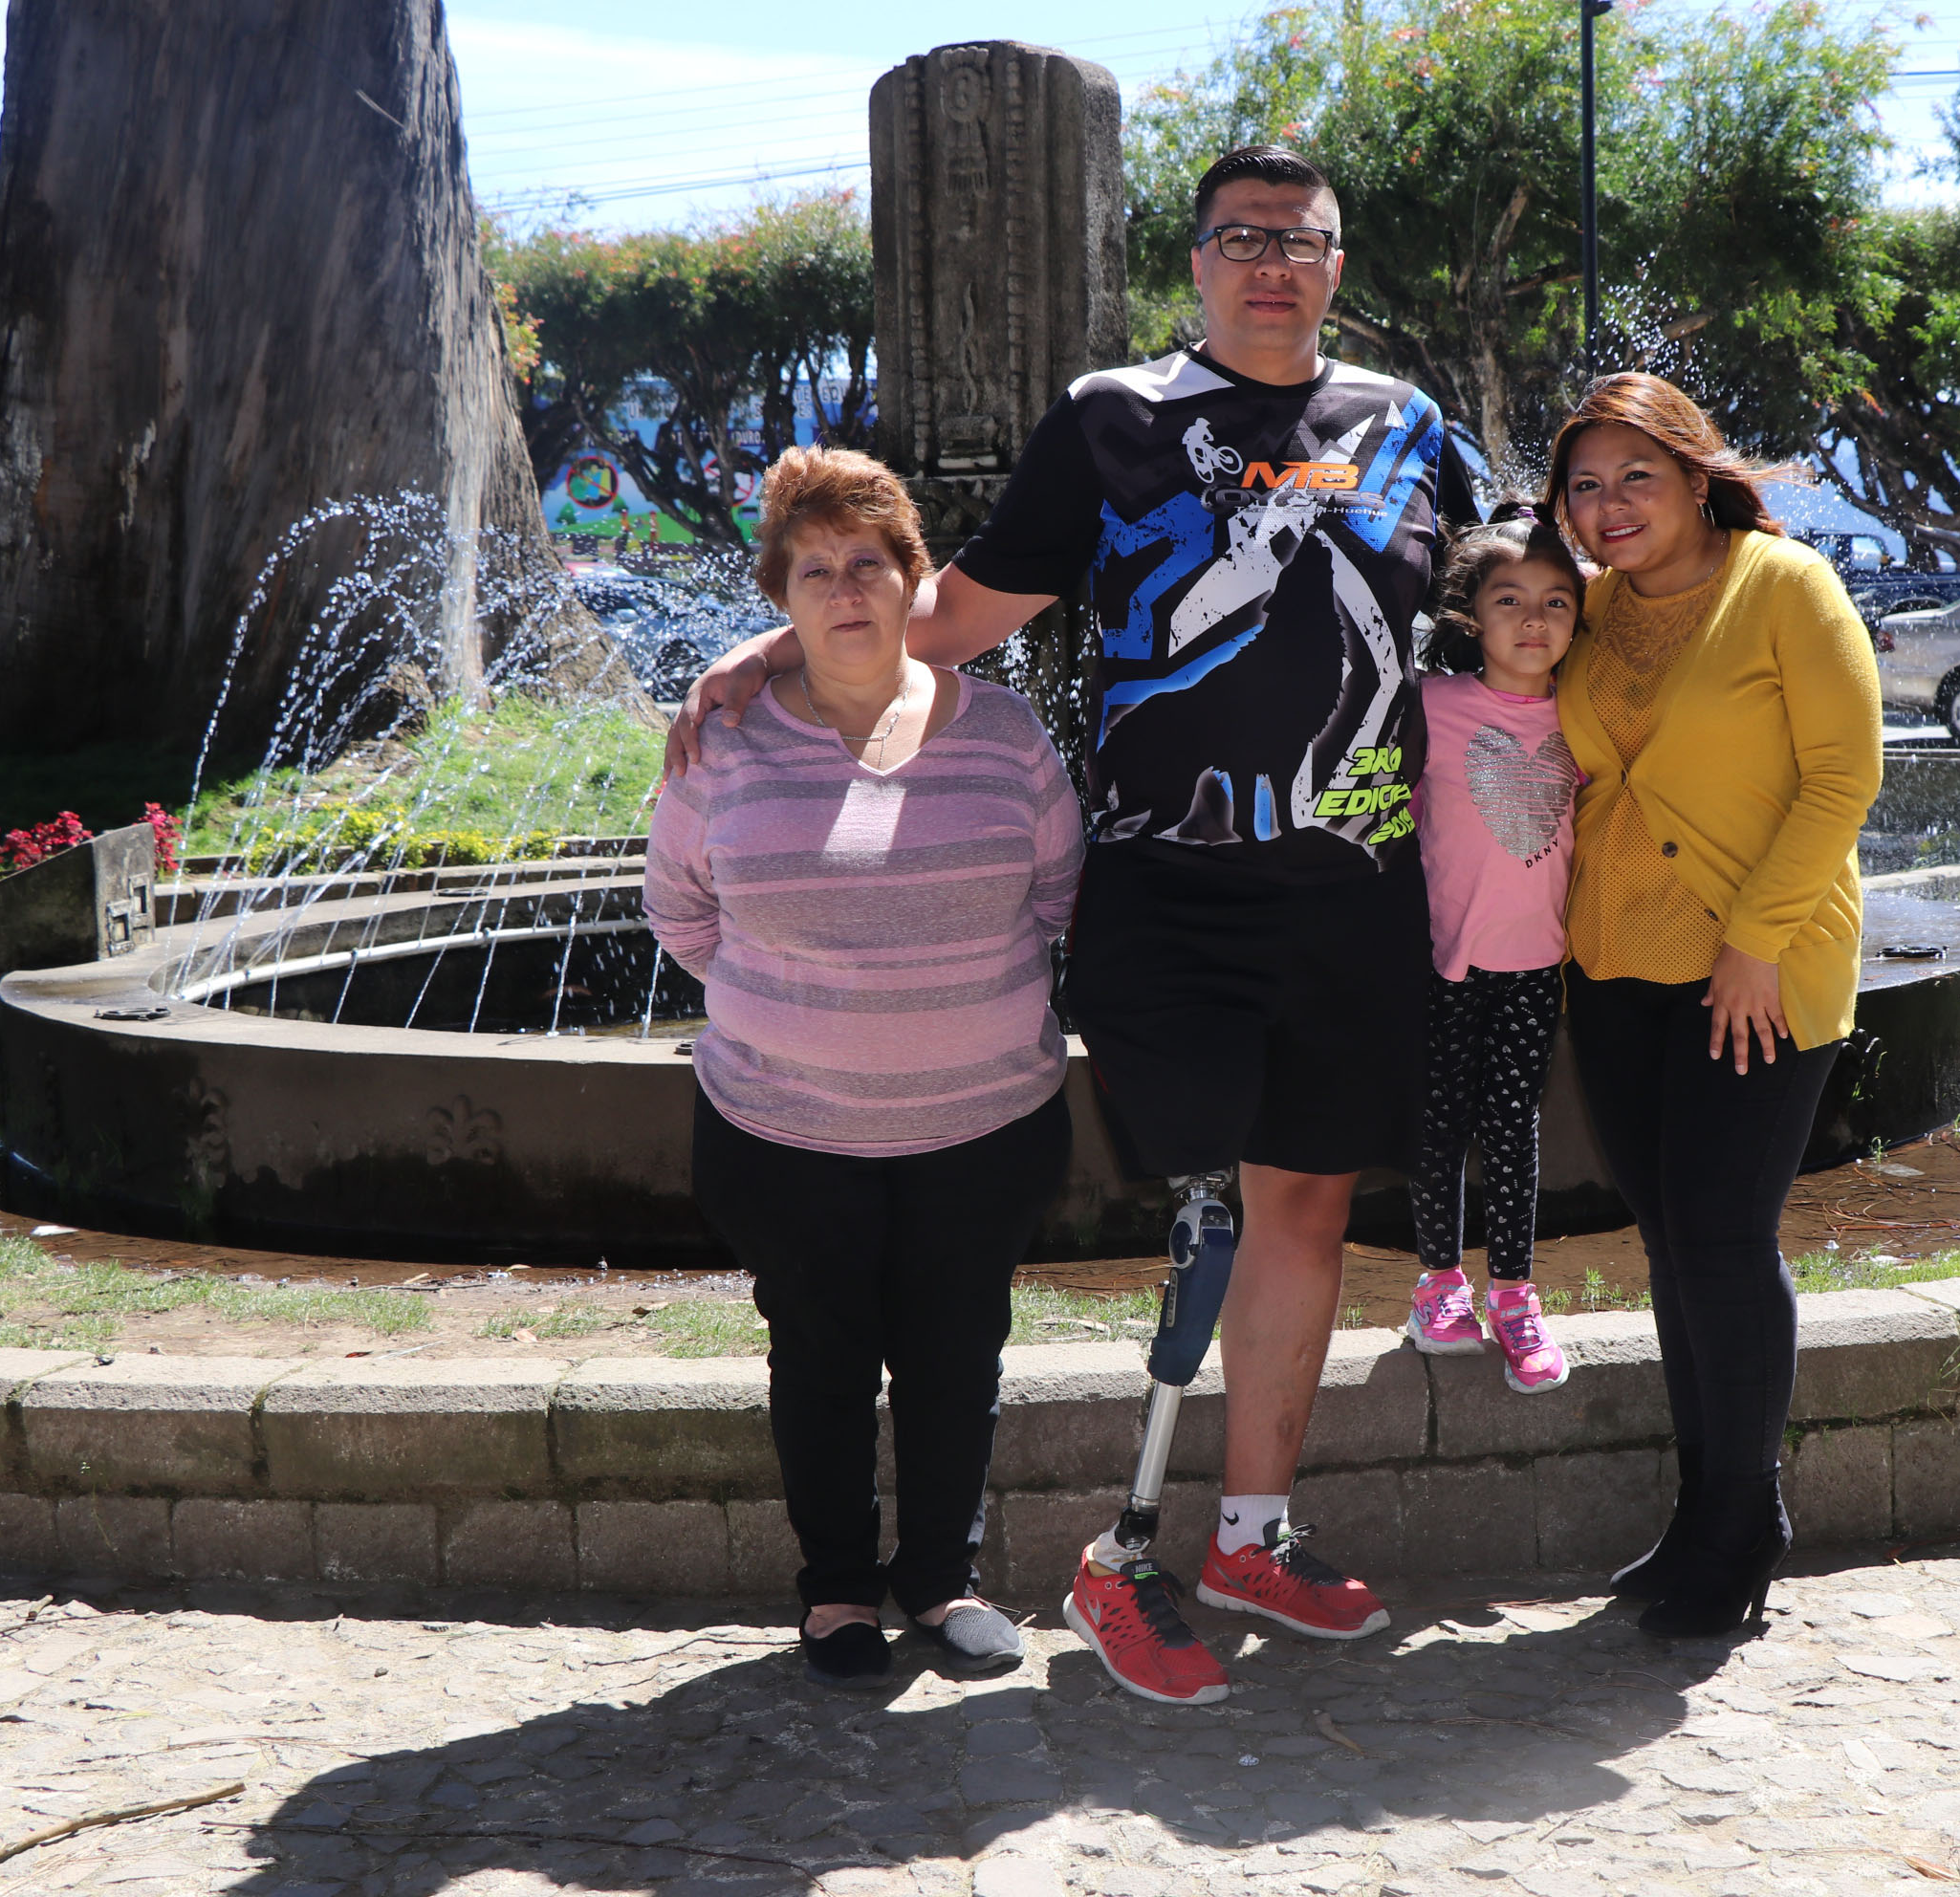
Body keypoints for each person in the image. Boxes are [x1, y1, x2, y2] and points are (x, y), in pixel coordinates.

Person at [668, 145, 1477, 1707]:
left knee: (1307, 1207)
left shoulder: (1408, 428)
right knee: (1210, 1206)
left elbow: (1497, 600)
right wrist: (778, 643)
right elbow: (963, 608)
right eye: (1241, 237)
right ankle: (1121, 1546)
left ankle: (1251, 1529)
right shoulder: (1116, 419)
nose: (1271, 263)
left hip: (1354, 897)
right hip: (1172, 896)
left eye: (1300, 240)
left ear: (1335, 261)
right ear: (1195, 261)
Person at [644, 446, 1081, 1689]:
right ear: (780, 597)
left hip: (983, 1126)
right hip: (786, 1132)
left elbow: (1057, 892)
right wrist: (810, 1008)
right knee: (821, 1357)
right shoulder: (722, 743)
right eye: (817, 568)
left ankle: (942, 1580)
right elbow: (681, 913)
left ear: (913, 581)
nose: (846, 589)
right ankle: (837, 1587)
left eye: (871, 564)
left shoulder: (1002, 734)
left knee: (959, 1353)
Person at [1541, 374, 1883, 1639]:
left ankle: (1748, 1519)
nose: (1608, 504)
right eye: (1584, 484)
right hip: (1615, 966)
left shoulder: (1784, 587)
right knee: (1673, 1242)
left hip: (1756, 971)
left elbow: (1846, 776)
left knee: (1727, 1239)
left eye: (1636, 476)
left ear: (1697, 477)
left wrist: (1755, 944)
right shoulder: (1586, 608)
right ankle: (1698, 1515)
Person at [1400, 507, 1585, 1395]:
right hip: (1442, 961)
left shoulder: (1585, 716)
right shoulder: (1429, 707)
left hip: (1535, 964)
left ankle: (1514, 1297)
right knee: (1439, 1124)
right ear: (1473, 616)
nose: (1535, 621)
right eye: (1511, 600)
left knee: (1513, 1129)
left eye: (1557, 602)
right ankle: (1438, 1285)